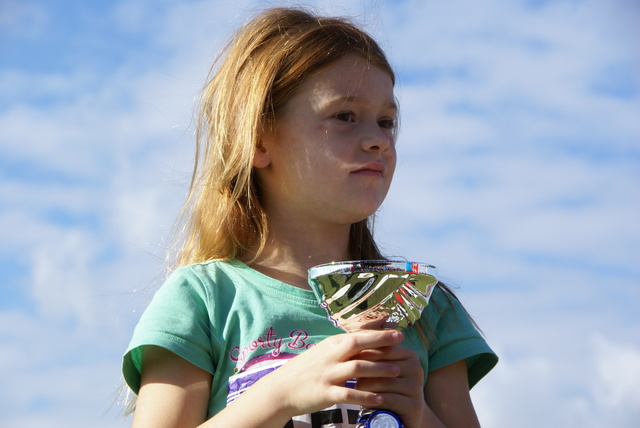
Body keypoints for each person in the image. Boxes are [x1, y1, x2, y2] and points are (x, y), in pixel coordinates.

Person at [122, 7, 498, 428]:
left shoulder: (427, 308)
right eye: (344, 116)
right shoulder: (202, 300)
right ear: (259, 140)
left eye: (387, 121)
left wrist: (418, 413)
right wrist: (281, 395)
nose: (377, 140)